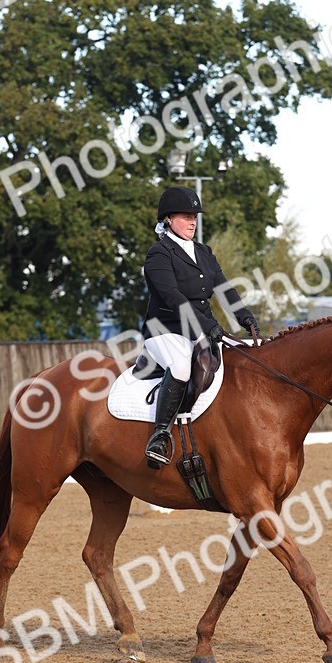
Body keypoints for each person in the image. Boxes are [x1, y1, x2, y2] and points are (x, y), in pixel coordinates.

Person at [141, 186, 259, 467]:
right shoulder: (159, 254)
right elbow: (174, 297)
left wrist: (246, 318)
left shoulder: (204, 252)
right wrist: (208, 325)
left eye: (194, 216)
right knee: (182, 367)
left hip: (201, 328)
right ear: (168, 219)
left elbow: (224, 290)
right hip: (165, 329)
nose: (193, 221)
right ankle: (160, 435)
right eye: (186, 216)